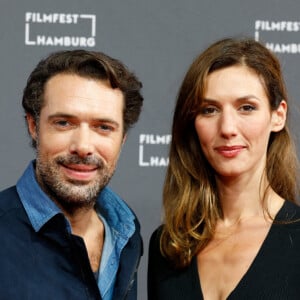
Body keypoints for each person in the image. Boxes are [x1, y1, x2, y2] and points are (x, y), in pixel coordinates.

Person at [148, 37, 300, 299]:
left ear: (278, 116)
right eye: (209, 110)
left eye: (247, 108)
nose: (228, 128)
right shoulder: (167, 246)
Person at [0, 49, 143, 300]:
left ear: (122, 139)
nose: (84, 146)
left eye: (103, 127)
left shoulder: (127, 231)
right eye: (64, 123)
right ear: (34, 126)